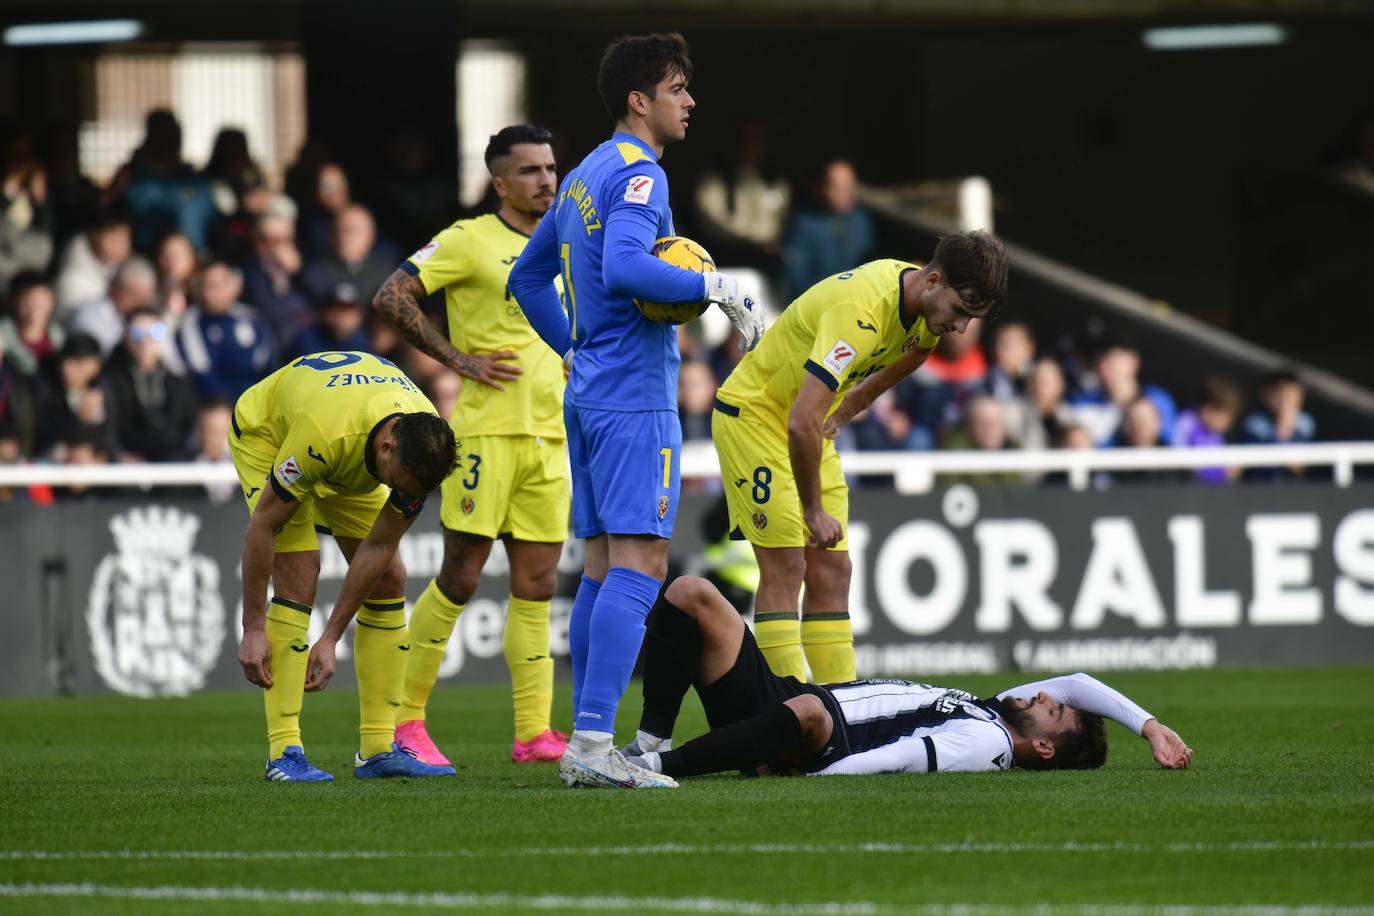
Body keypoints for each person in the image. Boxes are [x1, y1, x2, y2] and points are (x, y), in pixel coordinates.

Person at [508, 32, 765, 790]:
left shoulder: (584, 172)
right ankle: (591, 747)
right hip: (632, 398)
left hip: (591, 391)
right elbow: (625, 267)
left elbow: (526, 280)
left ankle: (589, 741)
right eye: (679, 88)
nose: (691, 102)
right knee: (642, 565)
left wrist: (574, 346)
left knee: (598, 568)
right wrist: (716, 289)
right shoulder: (640, 175)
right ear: (639, 99)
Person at [712, 232, 1007, 687]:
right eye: (961, 312)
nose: (963, 329)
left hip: (809, 424)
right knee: (787, 564)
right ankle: (783, 717)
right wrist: (812, 510)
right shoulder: (862, 312)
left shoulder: (923, 306)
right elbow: (798, 423)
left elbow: (916, 351)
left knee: (833, 567)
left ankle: (843, 713)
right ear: (933, 280)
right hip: (755, 416)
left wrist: (858, 400)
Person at [372, 124, 571, 766]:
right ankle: (406, 722)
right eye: (530, 170)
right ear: (499, 183)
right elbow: (392, 294)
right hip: (485, 434)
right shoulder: (468, 239)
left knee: (537, 584)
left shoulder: (572, 239)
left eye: (550, 167)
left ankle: (534, 732)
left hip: (552, 434)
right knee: (459, 577)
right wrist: (459, 359)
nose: (546, 179)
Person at [620, 576, 1193, 783]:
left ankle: (647, 771)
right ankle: (650, 741)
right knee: (690, 594)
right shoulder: (990, 708)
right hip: (790, 700)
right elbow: (1078, 681)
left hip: (822, 736)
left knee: (810, 715)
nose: (1049, 695)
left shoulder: (989, 741)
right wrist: (1149, 726)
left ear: (1043, 745)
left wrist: (816, 772)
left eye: (1056, 712)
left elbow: (903, 757)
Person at [231, 350, 459, 782]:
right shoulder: (326, 434)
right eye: (396, 485)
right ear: (388, 447)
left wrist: (332, 636)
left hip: (350, 452)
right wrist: (253, 627)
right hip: (271, 435)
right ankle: (284, 752)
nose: (401, 494)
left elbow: (379, 545)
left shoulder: (424, 445)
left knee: (390, 578)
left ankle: (377, 750)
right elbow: (263, 526)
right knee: (300, 571)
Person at [102, 306, 199, 462]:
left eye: (155, 332)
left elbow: (187, 428)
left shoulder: (177, 383)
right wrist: (120, 455)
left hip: (172, 463)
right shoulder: (110, 381)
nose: (144, 341)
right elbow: (110, 429)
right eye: (136, 333)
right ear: (125, 337)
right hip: (126, 465)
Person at [177, 260, 276, 401]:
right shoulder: (191, 322)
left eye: (218, 285)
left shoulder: (250, 317)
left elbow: (267, 364)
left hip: (258, 400)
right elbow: (202, 372)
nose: (211, 293)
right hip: (218, 405)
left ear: (233, 286)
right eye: (206, 286)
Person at [780, 159, 875, 299]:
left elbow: (872, 267)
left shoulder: (861, 222)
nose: (846, 194)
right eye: (838, 188)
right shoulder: (803, 226)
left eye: (850, 187)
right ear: (819, 189)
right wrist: (844, 290)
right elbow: (796, 284)